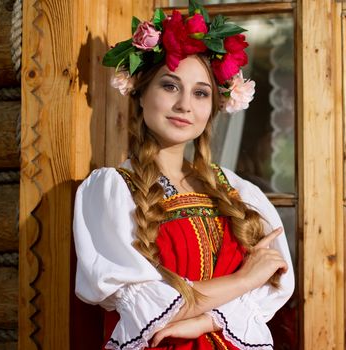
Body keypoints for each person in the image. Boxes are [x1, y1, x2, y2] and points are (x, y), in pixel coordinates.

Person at [73, 1, 294, 349]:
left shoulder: (238, 191)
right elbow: (150, 307)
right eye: (170, 86)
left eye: (200, 93)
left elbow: (274, 289)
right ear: (140, 93)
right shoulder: (111, 190)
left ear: (213, 108)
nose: (184, 106)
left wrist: (207, 320)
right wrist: (246, 278)